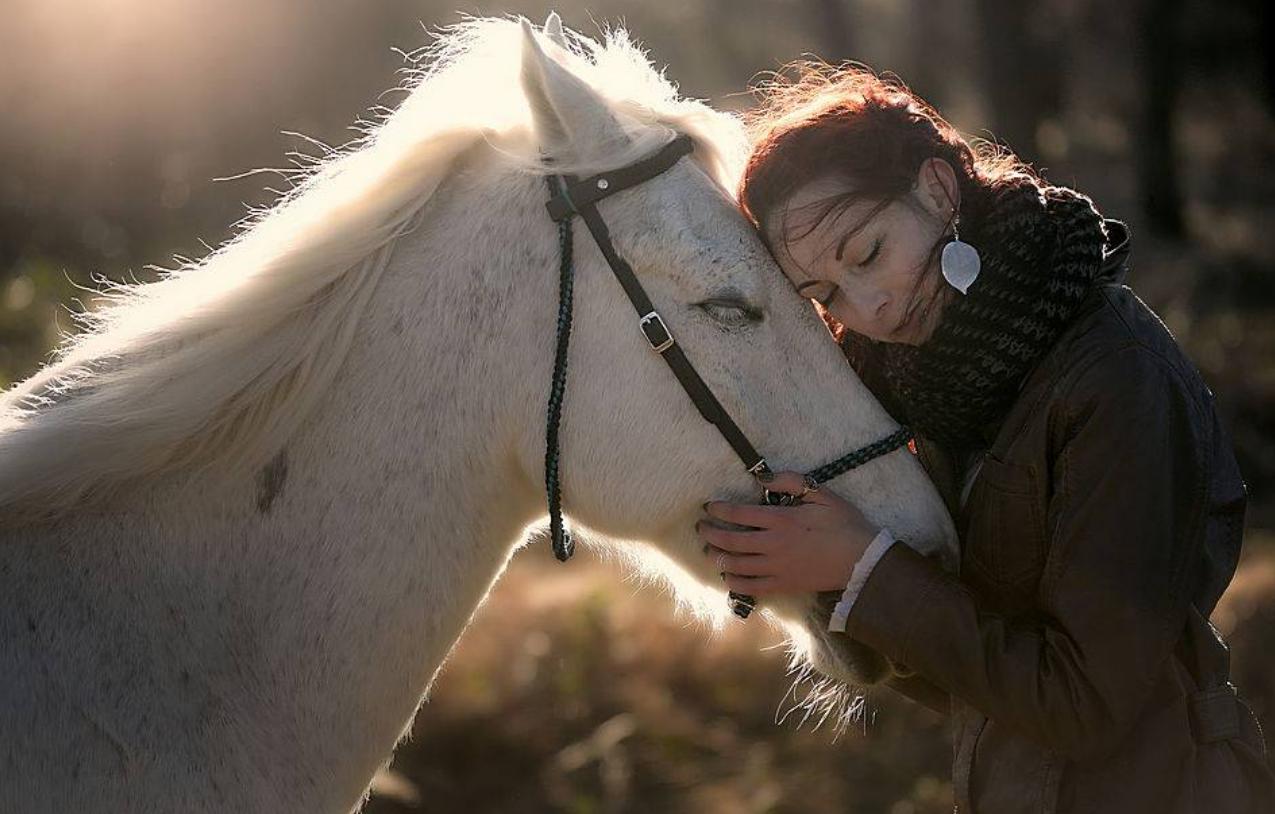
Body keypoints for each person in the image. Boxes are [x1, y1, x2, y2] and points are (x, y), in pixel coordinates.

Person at [696, 66, 1275, 813]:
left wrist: (866, 567)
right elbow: (976, 676)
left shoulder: (1112, 376)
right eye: (825, 296)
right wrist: (826, 571)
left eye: (866, 253)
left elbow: (1083, 706)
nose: (864, 305)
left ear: (937, 191)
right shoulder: (937, 384)